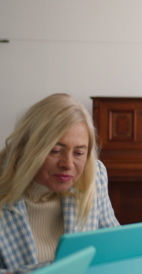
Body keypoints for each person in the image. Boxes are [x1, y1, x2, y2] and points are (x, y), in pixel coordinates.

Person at [0, 94, 119, 273]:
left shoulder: (94, 174)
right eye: (55, 151)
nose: (68, 164)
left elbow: (115, 247)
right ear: (28, 147)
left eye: (79, 153)